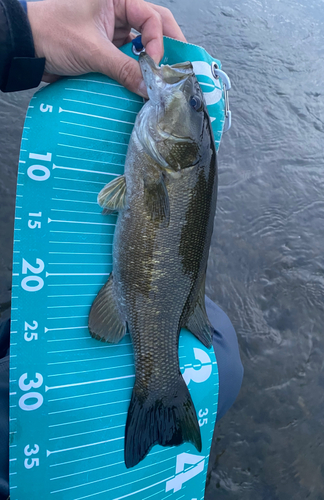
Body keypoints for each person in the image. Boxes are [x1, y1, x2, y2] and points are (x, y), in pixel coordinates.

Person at [0, 0, 244, 498]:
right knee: (225, 355)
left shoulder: (169, 159)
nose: (190, 96)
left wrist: (21, 31)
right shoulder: (167, 156)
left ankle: (158, 389)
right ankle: (161, 398)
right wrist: (20, 30)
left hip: (135, 289)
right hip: (156, 289)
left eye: (194, 105)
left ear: (182, 151)